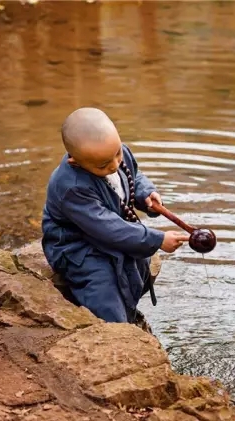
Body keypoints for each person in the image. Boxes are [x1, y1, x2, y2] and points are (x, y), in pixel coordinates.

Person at [41, 107, 189, 324]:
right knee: (104, 289)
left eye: (118, 154)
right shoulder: (70, 187)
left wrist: (145, 193)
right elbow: (108, 227)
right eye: (103, 165)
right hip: (78, 246)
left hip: (109, 233)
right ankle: (116, 329)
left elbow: (134, 177)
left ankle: (129, 315)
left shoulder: (114, 153)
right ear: (75, 162)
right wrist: (157, 240)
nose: (115, 165)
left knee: (136, 269)